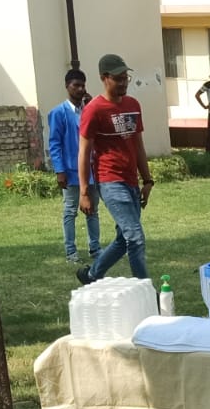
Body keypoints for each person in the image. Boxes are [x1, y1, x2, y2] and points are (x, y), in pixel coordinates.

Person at [76, 54, 155, 285]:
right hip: (109, 181)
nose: (124, 83)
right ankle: (146, 290)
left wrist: (147, 181)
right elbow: (84, 152)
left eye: (126, 78)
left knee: (124, 238)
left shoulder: (133, 105)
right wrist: (84, 191)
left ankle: (92, 274)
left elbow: (138, 145)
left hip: (131, 181)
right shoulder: (94, 110)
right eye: (118, 78)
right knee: (135, 237)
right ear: (104, 78)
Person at [48, 69, 99, 265]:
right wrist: (59, 170)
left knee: (92, 210)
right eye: (75, 85)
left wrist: (92, 106)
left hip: (91, 170)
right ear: (67, 86)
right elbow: (55, 144)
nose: (80, 89)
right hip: (70, 171)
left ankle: (95, 248)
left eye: (82, 85)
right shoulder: (58, 113)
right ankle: (71, 252)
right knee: (70, 210)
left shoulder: (89, 110)